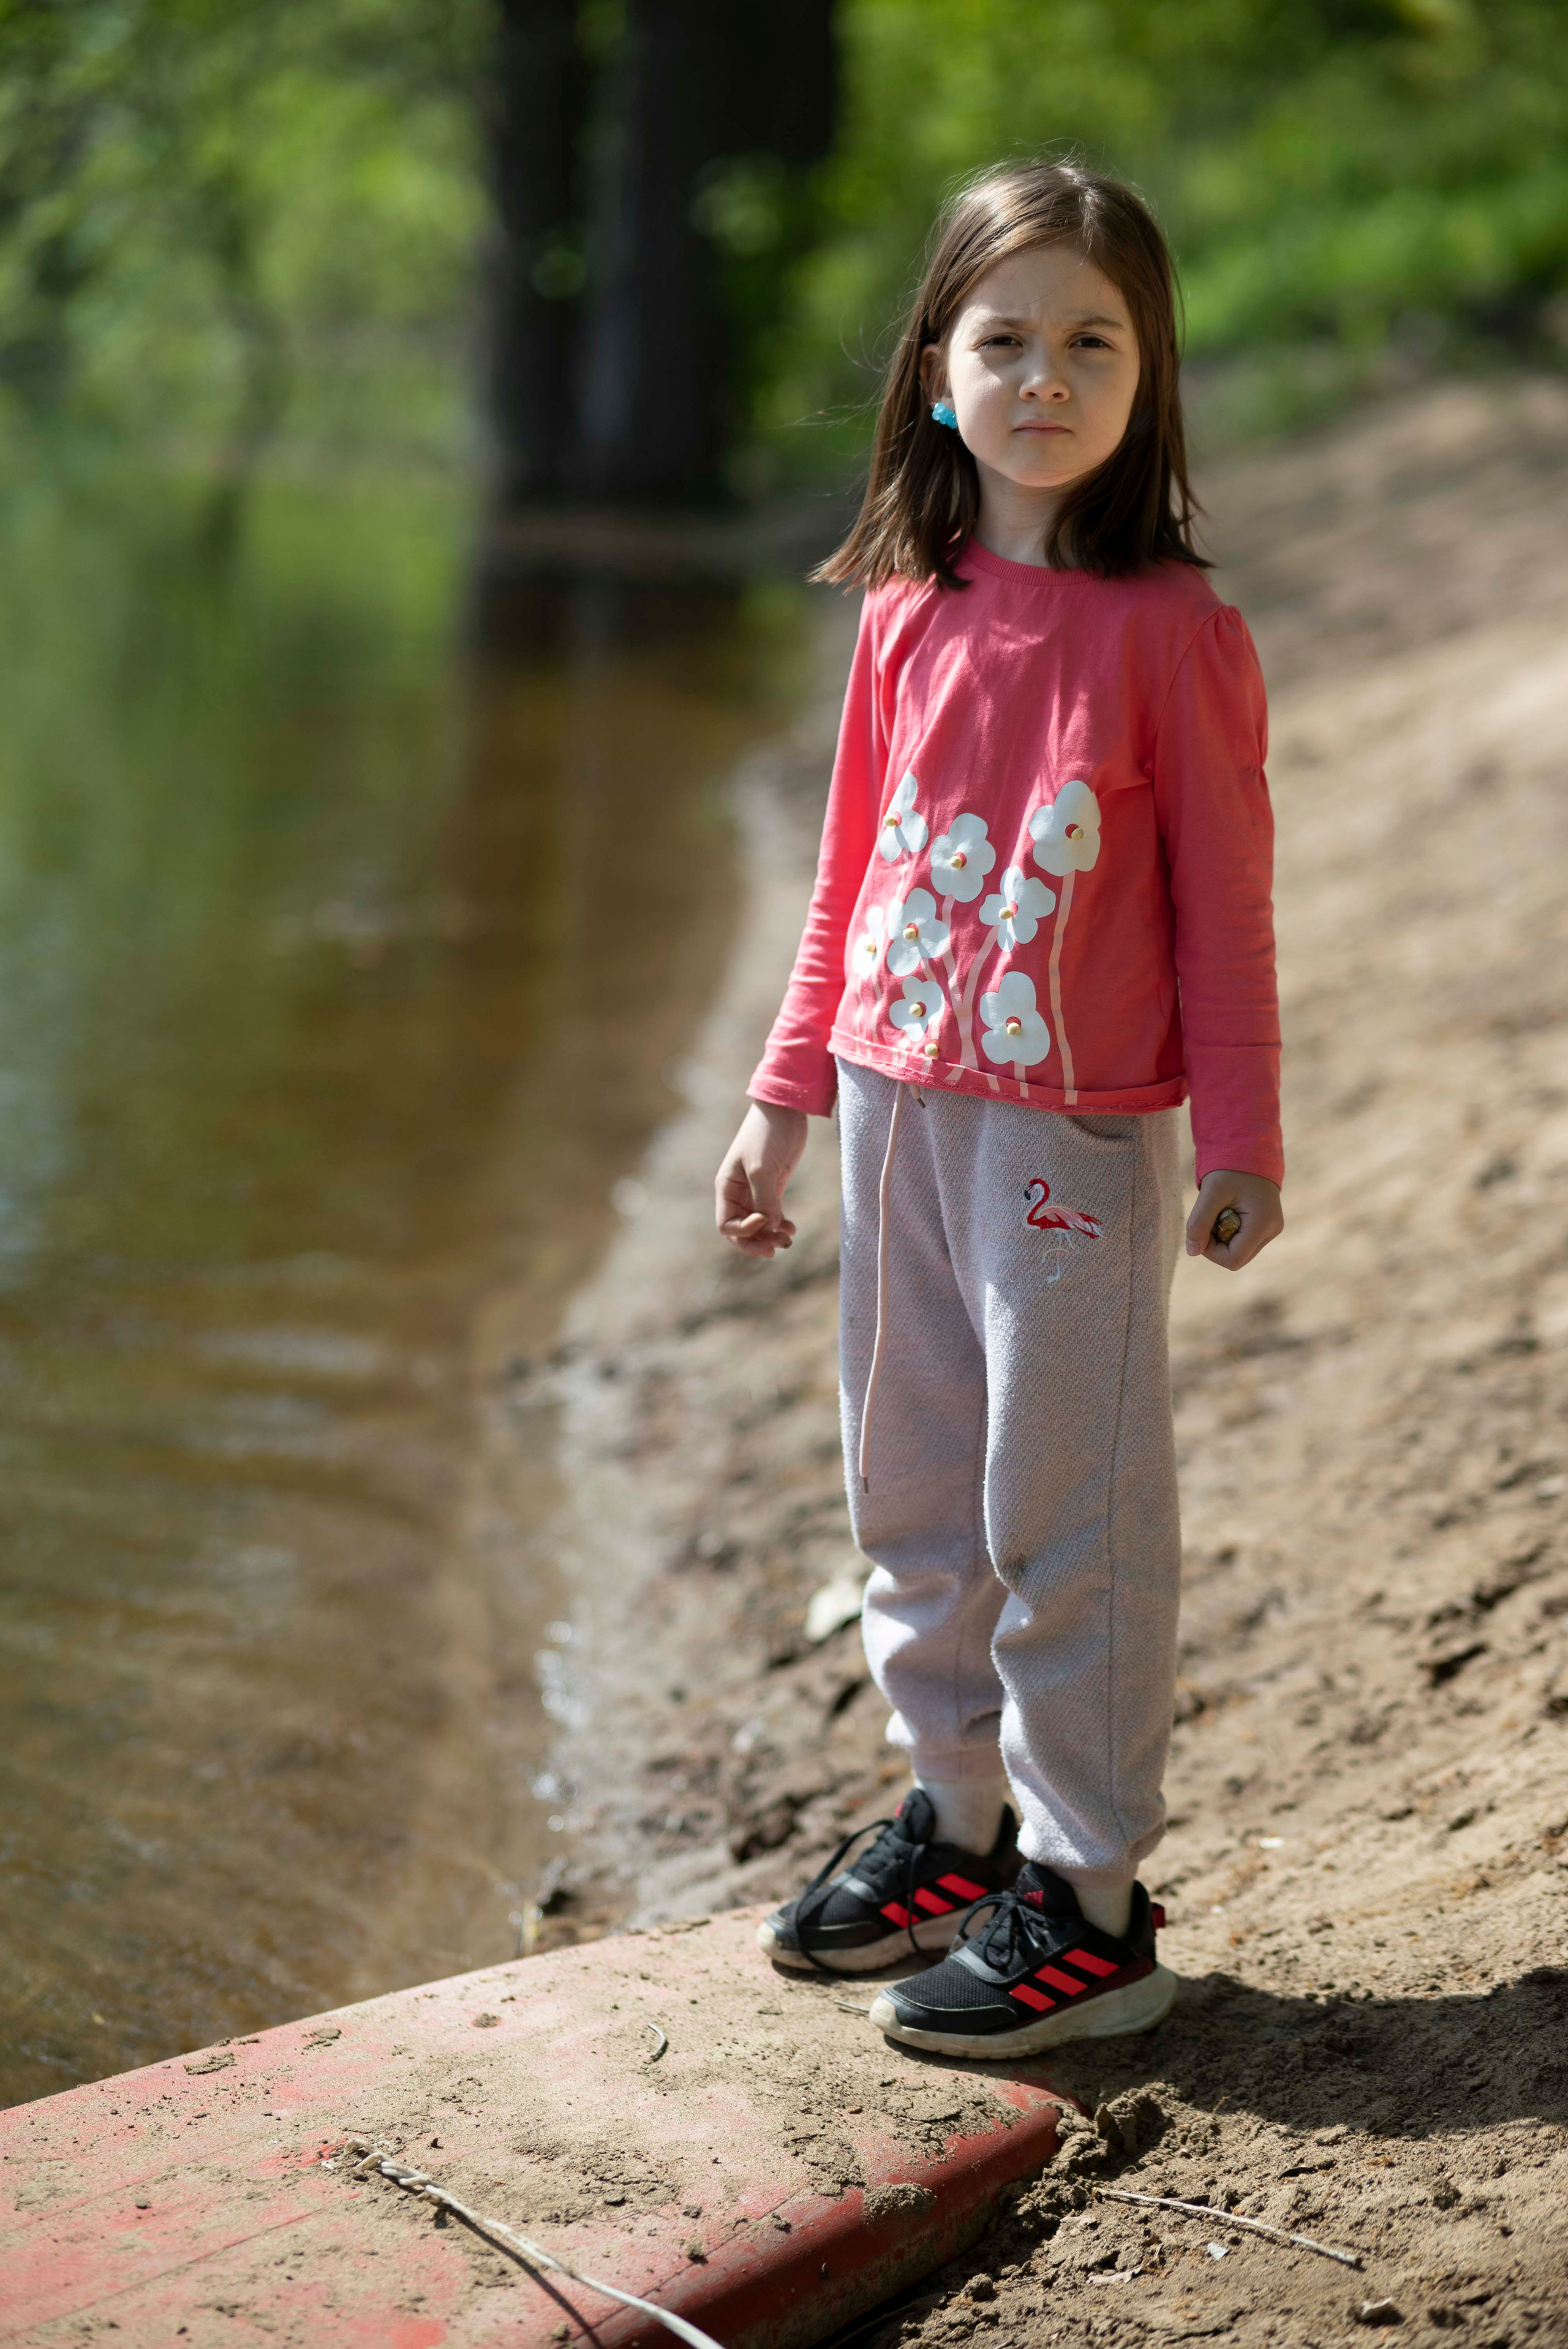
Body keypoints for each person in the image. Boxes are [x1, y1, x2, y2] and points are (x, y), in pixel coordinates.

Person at [712, 159, 1283, 2057]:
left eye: (1091, 340)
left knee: (1069, 1507)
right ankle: (955, 1822)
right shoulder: (904, 605)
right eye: (1006, 336)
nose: (1046, 373)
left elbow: (1224, 898)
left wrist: (1245, 1135)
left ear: (1148, 375)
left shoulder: (1171, 632)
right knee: (914, 1481)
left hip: (1068, 1144)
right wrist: (783, 1092)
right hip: (894, 1109)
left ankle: (1092, 1898)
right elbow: (847, 874)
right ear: (938, 374)